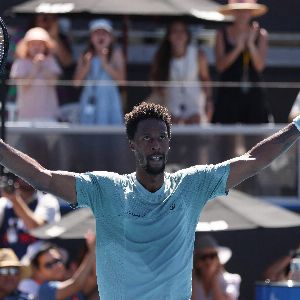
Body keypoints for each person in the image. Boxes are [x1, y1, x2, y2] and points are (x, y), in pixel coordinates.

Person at [0, 101, 300, 299]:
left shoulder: (191, 185)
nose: (154, 144)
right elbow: (43, 177)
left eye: (160, 137)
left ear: (169, 141)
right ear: (132, 144)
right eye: (146, 138)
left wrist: (296, 127)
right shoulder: (106, 189)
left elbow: (253, 159)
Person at [212, 0, 272, 124]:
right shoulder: (221, 33)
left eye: (246, 10)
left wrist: (250, 44)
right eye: (239, 10)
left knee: (256, 136)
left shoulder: (261, 34)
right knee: (227, 137)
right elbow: (220, 66)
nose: (242, 14)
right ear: (233, 12)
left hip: (253, 94)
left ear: (251, 13)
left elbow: (260, 66)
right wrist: (238, 48)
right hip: (228, 94)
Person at [151, 19, 212, 124]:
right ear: (169, 36)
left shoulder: (198, 54)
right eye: (175, 31)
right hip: (171, 107)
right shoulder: (161, 56)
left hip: (195, 107)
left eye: (182, 31)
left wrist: (209, 101)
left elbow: (205, 79)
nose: (179, 35)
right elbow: (155, 80)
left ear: (187, 35)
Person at [74, 18, 125, 125]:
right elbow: (76, 83)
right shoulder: (84, 55)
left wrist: (105, 63)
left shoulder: (116, 53)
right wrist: (87, 65)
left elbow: (122, 81)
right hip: (89, 99)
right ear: (91, 37)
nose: (100, 36)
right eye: (97, 33)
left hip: (109, 100)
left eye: (104, 33)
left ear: (110, 38)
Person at [0, 173, 60, 258]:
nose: (26, 177)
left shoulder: (47, 201)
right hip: (9, 267)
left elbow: (36, 229)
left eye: (30, 173)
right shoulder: (3, 203)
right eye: (21, 173)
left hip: (37, 267)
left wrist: (14, 199)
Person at [18, 235, 96, 300]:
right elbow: (76, 284)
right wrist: (91, 251)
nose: (56, 266)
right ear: (38, 271)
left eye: (57, 261)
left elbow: (94, 280)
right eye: (49, 265)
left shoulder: (70, 282)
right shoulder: (45, 290)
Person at [10, 27, 61, 122]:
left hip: (48, 115)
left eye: (40, 44)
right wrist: (35, 67)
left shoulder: (51, 61)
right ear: (27, 46)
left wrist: (42, 66)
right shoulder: (20, 63)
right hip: (25, 116)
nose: (36, 47)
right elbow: (24, 85)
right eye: (33, 44)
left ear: (46, 46)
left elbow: (53, 82)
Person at [192, 235, 241, 300]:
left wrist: (214, 280)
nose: (208, 261)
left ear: (218, 259)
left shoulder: (232, 279)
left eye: (212, 256)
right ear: (197, 261)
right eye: (203, 257)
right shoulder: (190, 281)